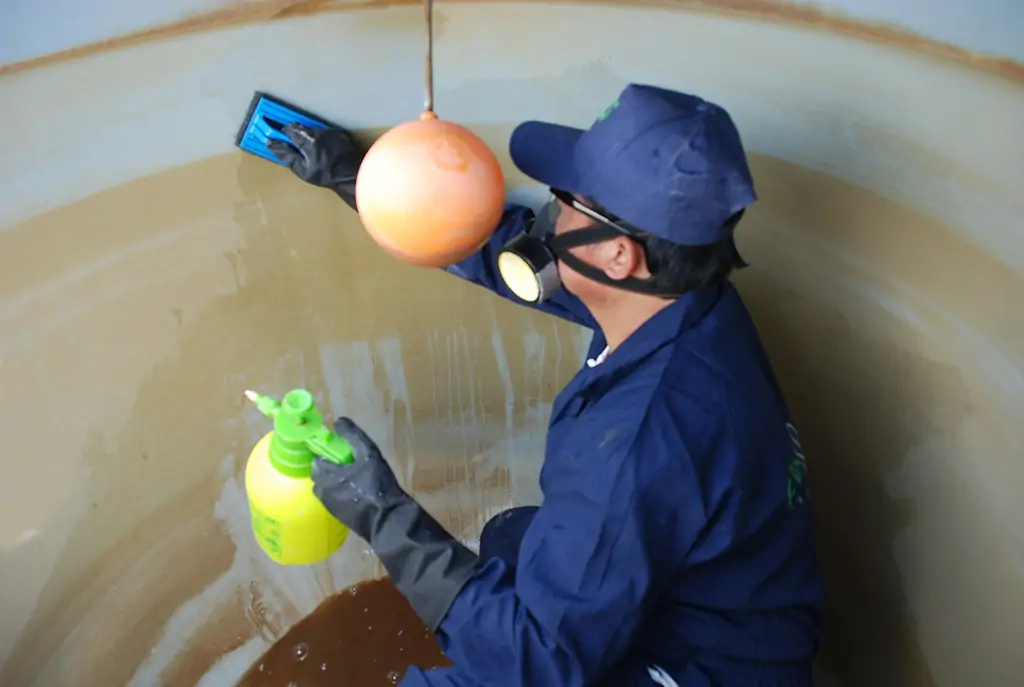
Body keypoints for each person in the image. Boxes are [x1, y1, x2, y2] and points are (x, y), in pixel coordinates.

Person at [266, 82, 824, 686]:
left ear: (618, 256)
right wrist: (361, 181)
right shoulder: (685, 303)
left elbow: (538, 663)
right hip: (726, 611)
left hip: (700, 669)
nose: (550, 216)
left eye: (567, 201)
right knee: (511, 541)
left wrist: (382, 512)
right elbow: (511, 258)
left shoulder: (636, 444)